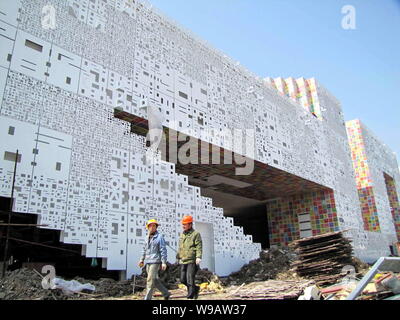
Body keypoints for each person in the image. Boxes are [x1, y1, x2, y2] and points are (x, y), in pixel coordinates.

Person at [138, 219, 171, 300]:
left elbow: (163, 250)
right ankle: (166, 293)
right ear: (148, 227)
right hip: (148, 261)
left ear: (156, 227)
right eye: (150, 226)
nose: (152, 227)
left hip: (156, 261)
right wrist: (141, 259)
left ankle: (147, 298)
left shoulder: (159, 237)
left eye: (154, 226)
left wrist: (163, 262)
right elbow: (144, 249)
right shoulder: (146, 238)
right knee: (154, 280)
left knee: (150, 280)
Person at [176, 215, 203, 299]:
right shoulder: (182, 235)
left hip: (192, 260)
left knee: (190, 279)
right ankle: (195, 289)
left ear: (190, 224)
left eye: (185, 224)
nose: (183, 226)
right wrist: (178, 257)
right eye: (183, 224)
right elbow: (180, 247)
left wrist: (198, 257)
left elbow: (199, 246)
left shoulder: (196, 234)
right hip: (183, 260)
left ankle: (190, 295)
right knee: (182, 280)